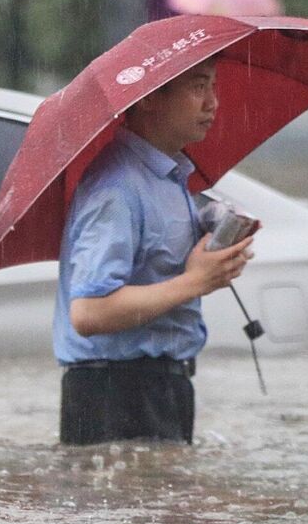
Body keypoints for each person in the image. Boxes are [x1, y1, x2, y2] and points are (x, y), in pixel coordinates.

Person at [55, 59, 253, 446]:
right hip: (114, 391)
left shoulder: (171, 177)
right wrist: (195, 282)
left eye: (213, 86)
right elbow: (88, 312)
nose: (213, 103)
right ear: (148, 98)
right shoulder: (117, 188)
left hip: (162, 385)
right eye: (198, 87)